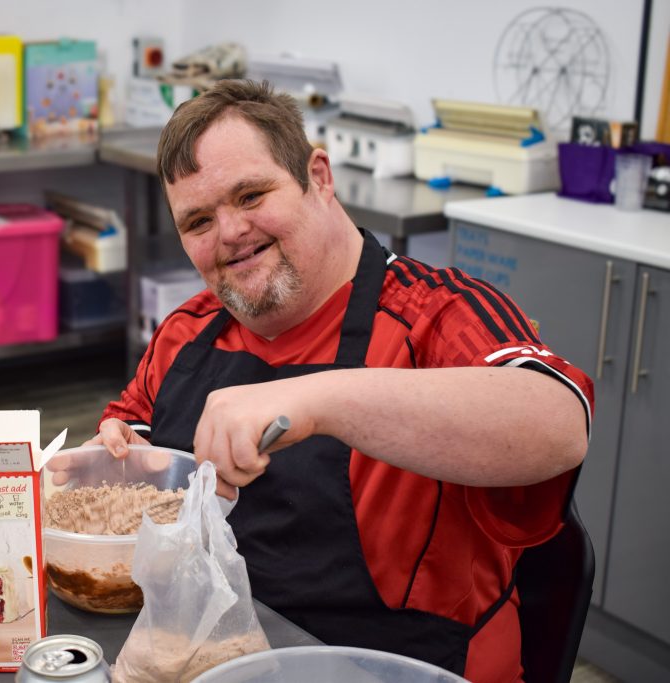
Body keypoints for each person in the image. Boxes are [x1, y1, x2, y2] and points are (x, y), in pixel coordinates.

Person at [86, 80, 592, 682]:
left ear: (318, 177)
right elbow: (131, 442)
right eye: (197, 221)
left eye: (250, 194)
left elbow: (558, 424)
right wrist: (113, 463)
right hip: (225, 659)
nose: (228, 233)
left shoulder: (436, 315)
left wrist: (315, 398)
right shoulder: (186, 333)